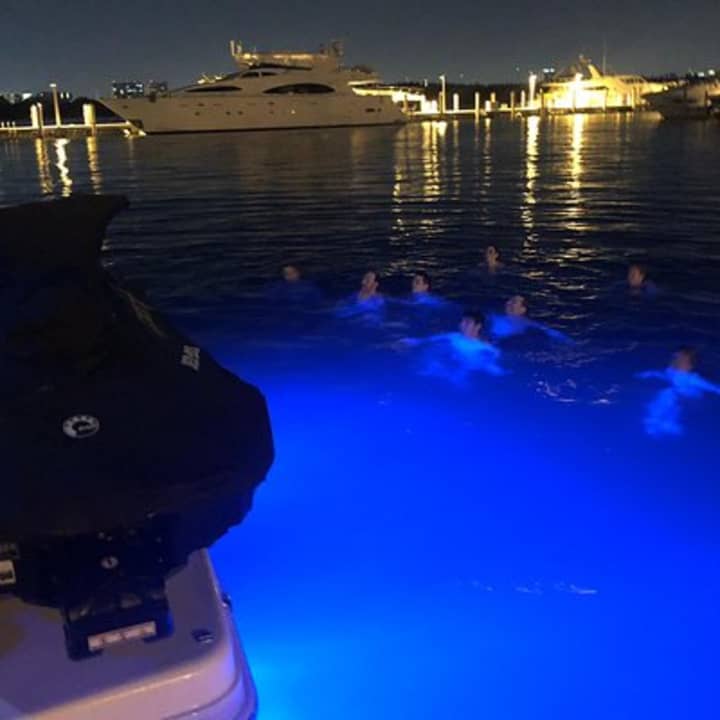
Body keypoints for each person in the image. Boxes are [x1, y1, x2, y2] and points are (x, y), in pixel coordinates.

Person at [396, 311, 505, 380]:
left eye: (467, 322)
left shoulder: (486, 348)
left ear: (478, 326)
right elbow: (427, 340)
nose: (462, 325)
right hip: (445, 370)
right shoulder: (453, 336)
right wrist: (409, 341)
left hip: (464, 374)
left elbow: (492, 368)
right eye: (461, 322)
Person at [637, 347, 720, 435]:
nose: (677, 361)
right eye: (675, 358)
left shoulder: (691, 378)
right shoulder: (671, 371)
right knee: (666, 399)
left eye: (682, 360)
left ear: (690, 366)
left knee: (669, 398)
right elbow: (665, 376)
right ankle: (657, 421)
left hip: (690, 397)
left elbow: (711, 386)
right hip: (677, 396)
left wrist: (717, 390)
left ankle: (667, 424)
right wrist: (651, 373)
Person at [489, 295, 572, 343]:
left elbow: (551, 332)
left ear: (523, 310)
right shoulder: (495, 316)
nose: (508, 303)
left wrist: (569, 342)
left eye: (513, 302)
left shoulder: (525, 322)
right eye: (509, 301)